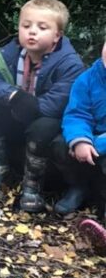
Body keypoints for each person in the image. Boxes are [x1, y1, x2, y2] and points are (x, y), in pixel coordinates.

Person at [0, 0, 84, 211]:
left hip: (43, 121)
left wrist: (30, 107)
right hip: (14, 109)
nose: (31, 31)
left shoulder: (70, 63)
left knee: (45, 126)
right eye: (26, 25)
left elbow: (59, 101)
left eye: (42, 27)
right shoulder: (11, 51)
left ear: (57, 35)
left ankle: (32, 186)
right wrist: (14, 97)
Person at [50, 36, 106, 224]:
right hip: (92, 138)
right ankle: (78, 187)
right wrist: (80, 139)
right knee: (60, 145)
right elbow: (77, 113)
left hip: (102, 144)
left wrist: (99, 144)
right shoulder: (88, 79)